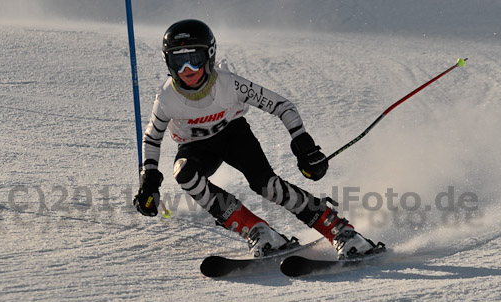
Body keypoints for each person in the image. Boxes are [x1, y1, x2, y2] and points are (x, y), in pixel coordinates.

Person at [134, 19, 381, 259]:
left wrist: (304, 146)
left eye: (194, 59)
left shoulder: (229, 84)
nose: (186, 70)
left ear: (209, 56)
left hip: (233, 135)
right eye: (178, 61)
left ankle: (340, 230)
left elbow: (283, 106)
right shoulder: (166, 97)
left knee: (267, 186)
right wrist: (149, 180)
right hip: (196, 146)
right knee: (184, 172)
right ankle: (257, 230)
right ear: (168, 63)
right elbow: (152, 138)